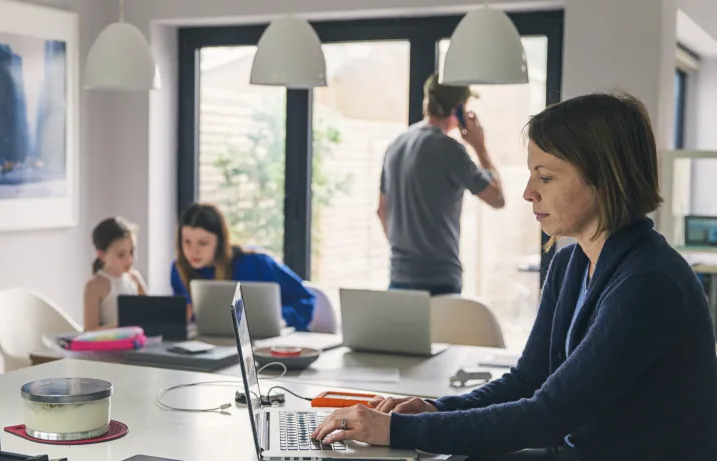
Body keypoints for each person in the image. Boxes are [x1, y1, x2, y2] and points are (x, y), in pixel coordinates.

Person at [312, 92, 717, 460]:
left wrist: (397, 430)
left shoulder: (649, 283)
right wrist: (434, 409)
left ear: (604, 178)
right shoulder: (570, 264)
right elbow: (529, 380)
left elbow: (547, 415)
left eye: (546, 177)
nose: (528, 192)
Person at [378, 72, 505, 296]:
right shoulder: (449, 149)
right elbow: (497, 198)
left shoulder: (395, 145)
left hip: (398, 278)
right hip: (440, 282)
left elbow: (382, 211)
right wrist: (479, 146)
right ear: (459, 109)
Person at [170, 203, 315, 331]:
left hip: (268, 344)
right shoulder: (179, 270)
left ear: (220, 242)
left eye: (203, 243)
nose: (193, 251)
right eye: (187, 241)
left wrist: (278, 319)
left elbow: (305, 300)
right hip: (214, 344)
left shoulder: (255, 262)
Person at [83, 217, 147, 331]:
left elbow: (150, 312)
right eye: (121, 255)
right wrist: (122, 327)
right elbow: (89, 329)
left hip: (135, 340)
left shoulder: (135, 278)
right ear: (101, 255)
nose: (129, 259)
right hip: (110, 341)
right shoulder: (95, 286)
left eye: (132, 251)